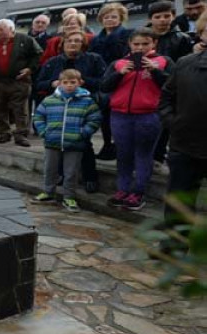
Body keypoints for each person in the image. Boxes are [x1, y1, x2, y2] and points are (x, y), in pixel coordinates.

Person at [100, 28, 173, 212]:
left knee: (143, 154)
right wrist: (120, 73)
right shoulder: (119, 63)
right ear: (130, 44)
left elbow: (172, 85)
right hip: (120, 114)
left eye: (145, 44)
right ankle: (123, 189)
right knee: (123, 153)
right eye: (136, 44)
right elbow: (105, 86)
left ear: (154, 43)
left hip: (149, 115)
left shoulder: (164, 61)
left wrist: (155, 71)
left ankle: (138, 192)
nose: (140, 48)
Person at [35, 31, 106, 192]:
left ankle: (90, 177)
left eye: (77, 41)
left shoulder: (93, 59)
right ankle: (59, 176)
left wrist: (80, 82)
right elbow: (38, 83)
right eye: (69, 41)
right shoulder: (53, 62)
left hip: (81, 107)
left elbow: (103, 82)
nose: (73, 44)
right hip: (57, 108)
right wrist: (51, 84)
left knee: (84, 145)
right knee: (57, 146)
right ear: (63, 44)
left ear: (83, 44)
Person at [159, 17, 207, 252]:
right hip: (184, 143)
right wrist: (172, 122)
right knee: (179, 201)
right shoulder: (186, 63)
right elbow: (167, 96)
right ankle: (174, 246)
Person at [32, 69, 102, 212]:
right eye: (65, 82)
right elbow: (38, 116)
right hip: (52, 141)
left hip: (75, 143)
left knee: (71, 171)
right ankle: (48, 192)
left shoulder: (87, 101)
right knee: (50, 168)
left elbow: (94, 119)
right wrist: (44, 132)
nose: (69, 85)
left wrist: (83, 133)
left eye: (72, 82)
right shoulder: (49, 100)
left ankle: (69, 196)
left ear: (79, 83)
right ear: (59, 83)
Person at [0, 19, 42, 147]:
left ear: (11, 29)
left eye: (1, 30)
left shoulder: (26, 40)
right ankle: (4, 133)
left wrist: (30, 69)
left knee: (20, 109)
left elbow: (38, 54)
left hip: (19, 81)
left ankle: (21, 135)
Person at [147, 0, 192, 174]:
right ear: (151, 18)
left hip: (170, 86)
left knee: (165, 124)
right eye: (158, 17)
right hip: (147, 85)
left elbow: (184, 65)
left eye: (167, 16)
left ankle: (158, 157)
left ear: (173, 16)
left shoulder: (181, 38)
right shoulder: (144, 36)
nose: (163, 20)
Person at [89, 2, 132, 161]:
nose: (110, 20)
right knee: (104, 114)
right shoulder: (96, 39)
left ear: (121, 18)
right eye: (106, 17)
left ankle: (120, 146)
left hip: (119, 77)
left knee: (118, 114)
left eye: (114, 17)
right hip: (101, 79)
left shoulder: (127, 35)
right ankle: (107, 144)